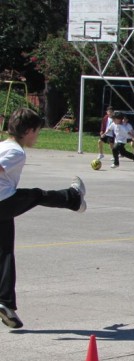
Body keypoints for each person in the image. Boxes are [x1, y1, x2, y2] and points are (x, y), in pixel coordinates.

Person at [0, 108, 87, 329]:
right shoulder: (16, 151)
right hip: (4, 202)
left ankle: (5, 304)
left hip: (4, 207)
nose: (37, 137)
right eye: (37, 132)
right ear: (28, 131)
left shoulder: (3, 146)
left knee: (5, 252)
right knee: (37, 195)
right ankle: (73, 198)